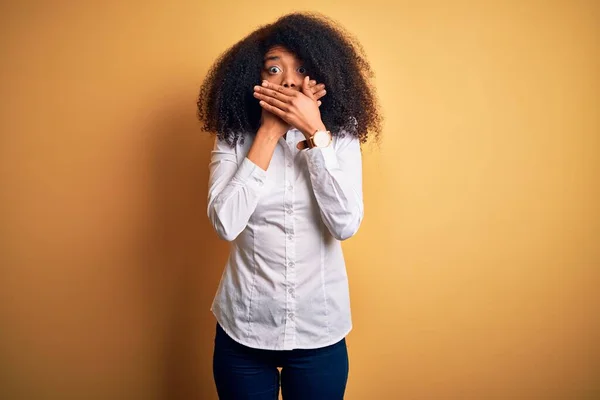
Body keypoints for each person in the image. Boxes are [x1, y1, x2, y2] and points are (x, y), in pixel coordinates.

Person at [197, 11, 382, 400]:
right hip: (244, 328)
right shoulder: (233, 136)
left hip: (320, 328)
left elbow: (345, 223)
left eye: (301, 69)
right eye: (275, 69)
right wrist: (268, 132)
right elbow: (225, 224)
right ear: (255, 78)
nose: (289, 81)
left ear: (321, 73)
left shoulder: (340, 137)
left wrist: (315, 133)